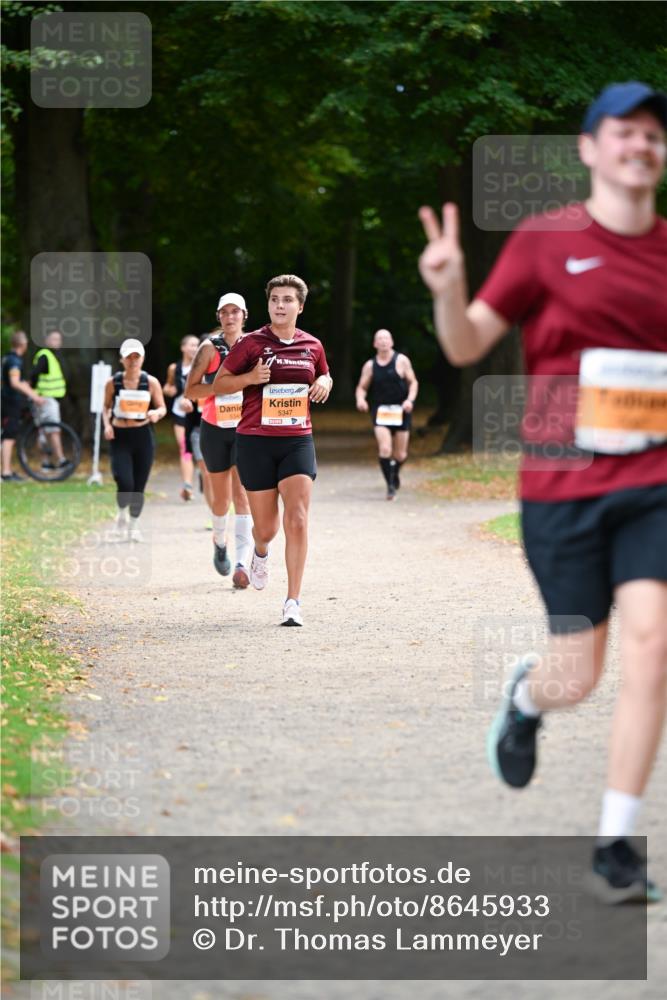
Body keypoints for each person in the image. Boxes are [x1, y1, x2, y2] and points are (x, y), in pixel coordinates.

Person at [418, 81, 667, 902]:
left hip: (652, 482)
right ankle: (527, 698)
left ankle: (615, 843)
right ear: (590, 150)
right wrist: (449, 287)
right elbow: (463, 346)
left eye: (652, 135)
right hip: (561, 487)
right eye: (622, 132)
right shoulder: (545, 240)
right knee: (578, 675)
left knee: (651, 644)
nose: (640, 144)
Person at [213, 274, 332, 627]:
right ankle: (259, 551)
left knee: (297, 518)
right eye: (275, 299)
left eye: (287, 300)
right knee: (266, 528)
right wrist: (250, 378)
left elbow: (324, 373)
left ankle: (292, 601)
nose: (280, 305)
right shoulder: (251, 344)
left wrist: (325, 381)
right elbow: (219, 384)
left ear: (300, 306)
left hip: (297, 439)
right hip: (255, 442)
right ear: (268, 305)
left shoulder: (312, 345)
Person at [183, 295, 254, 588]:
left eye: (235, 312)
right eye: (224, 313)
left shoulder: (255, 345)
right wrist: (223, 386)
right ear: (219, 317)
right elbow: (190, 391)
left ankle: (242, 563)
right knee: (221, 499)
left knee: (243, 495)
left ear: (244, 315)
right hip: (214, 427)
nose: (230, 317)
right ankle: (219, 541)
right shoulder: (209, 348)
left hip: (245, 428)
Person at [102, 338, 167, 541]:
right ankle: (121, 515)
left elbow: (162, 407)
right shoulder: (114, 382)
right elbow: (105, 407)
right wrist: (107, 425)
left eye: (136, 356)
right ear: (122, 359)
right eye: (128, 357)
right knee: (124, 480)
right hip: (120, 436)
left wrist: (156, 413)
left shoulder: (151, 382)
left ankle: (134, 525)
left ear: (142, 358)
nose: (132, 360)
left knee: (139, 484)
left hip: (142, 436)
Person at [355, 328, 419, 499]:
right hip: (381, 411)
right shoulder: (370, 365)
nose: (383, 341)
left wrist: (410, 401)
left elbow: (413, 383)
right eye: (379, 338)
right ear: (375, 344)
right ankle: (390, 486)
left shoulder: (402, 361)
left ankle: (394, 472)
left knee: (400, 454)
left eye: (386, 338)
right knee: (385, 448)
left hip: (401, 409)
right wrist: (361, 399)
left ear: (391, 342)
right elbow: (361, 388)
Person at [1, 331, 45, 482]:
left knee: (7, 436)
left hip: (7, 400)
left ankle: (7, 471)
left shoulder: (7, 357)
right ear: (22, 344)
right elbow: (14, 382)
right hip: (11, 402)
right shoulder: (14, 361)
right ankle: (6, 473)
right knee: (9, 437)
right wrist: (34, 395)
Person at [163, 334, 199, 501]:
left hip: (198, 413)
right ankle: (187, 485)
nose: (193, 348)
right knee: (184, 448)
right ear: (183, 347)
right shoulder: (174, 368)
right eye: (191, 345)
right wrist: (168, 390)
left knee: (201, 451)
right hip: (180, 413)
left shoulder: (201, 367)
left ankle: (204, 477)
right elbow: (168, 386)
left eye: (196, 345)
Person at [30, 330, 68, 470]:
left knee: (45, 431)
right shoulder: (45, 356)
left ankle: (46, 463)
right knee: (53, 430)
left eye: (58, 339)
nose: (56, 342)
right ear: (46, 341)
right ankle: (61, 460)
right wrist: (35, 395)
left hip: (48, 399)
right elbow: (34, 375)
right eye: (53, 339)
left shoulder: (52, 356)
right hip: (45, 399)